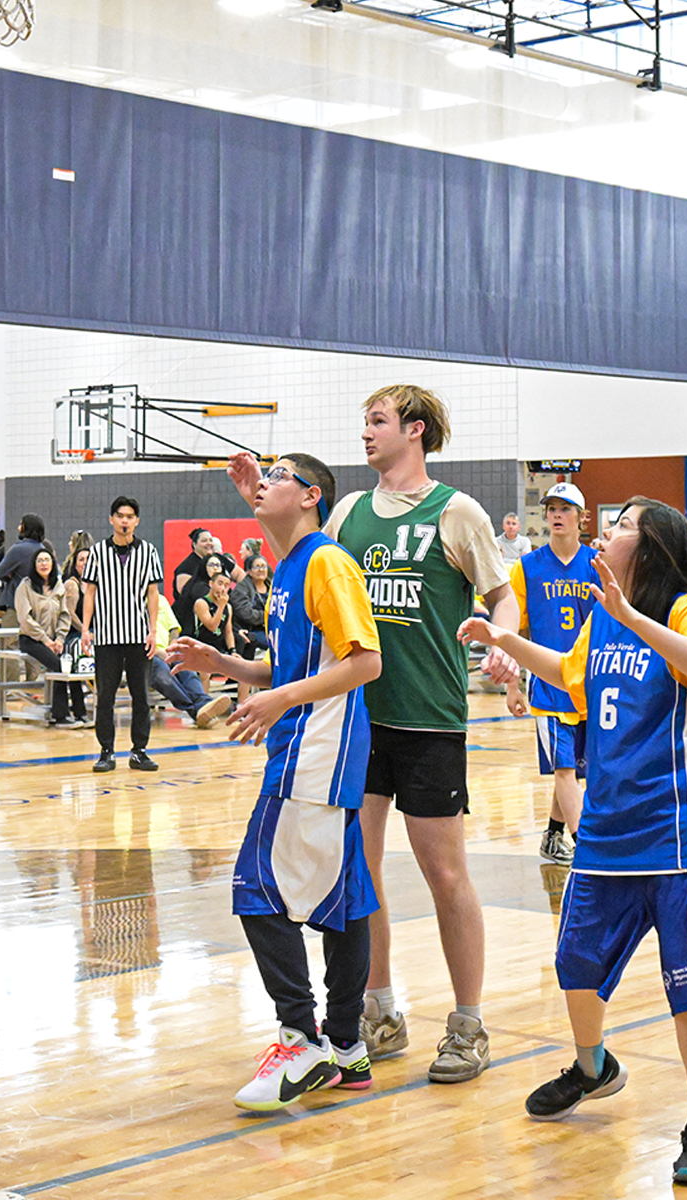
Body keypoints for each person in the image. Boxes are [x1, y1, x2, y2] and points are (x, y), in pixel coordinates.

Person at [232, 384, 515, 1084]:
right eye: (365, 420)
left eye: (378, 421)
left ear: (414, 431)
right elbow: (306, 565)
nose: (365, 432)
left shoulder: (458, 512)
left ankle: (469, 1022)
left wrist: (505, 642)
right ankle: (379, 1012)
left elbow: (501, 593)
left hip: (429, 717)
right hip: (357, 721)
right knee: (361, 872)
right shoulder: (351, 510)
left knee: (446, 874)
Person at [458, 497, 687, 1187]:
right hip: (608, 831)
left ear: (649, 547)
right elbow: (570, 675)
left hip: (679, 833)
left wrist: (634, 616)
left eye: (620, 526)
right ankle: (593, 1068)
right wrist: (507, 645)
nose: (606, 534)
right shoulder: (601, 618)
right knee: (575, 963)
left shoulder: (684, 609)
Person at [166, 452, 382, 1112]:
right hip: (318, 751)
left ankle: (301, 1038)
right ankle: (345, 1045)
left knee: (255, 889)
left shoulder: (327, 562)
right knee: (345, 905)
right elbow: (284, 665)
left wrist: (284, 698)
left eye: (279, 475)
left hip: (315, 754)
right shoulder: (291, 567)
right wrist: (220, 661)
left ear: (312, 494)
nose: (265, 483)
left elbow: (366, 663)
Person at [504, 482, 597, 867]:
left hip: (591, 683)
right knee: (564, 769)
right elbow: (512, 631)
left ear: (582, 517)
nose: (557, 515)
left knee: (581, 771)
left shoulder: (597, 563)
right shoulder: (526, 568)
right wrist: (513, 684)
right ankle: (586, 849)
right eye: (551, 509)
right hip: (548, 685)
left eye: (565, 508)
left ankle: (554, 834)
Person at [81, 497, 165, 774]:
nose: (125, 521)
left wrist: (153, 630)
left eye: (130, 516)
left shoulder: (149, 551)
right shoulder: (96, 553)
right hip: (106, 638)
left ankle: (139, 751)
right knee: (105, 697)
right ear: (111, 519)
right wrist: (85, 628)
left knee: (141, 696)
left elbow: (153, 593)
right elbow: (90, 593)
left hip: (139, 636)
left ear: (137, 521)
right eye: (120, 516)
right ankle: (106, 752)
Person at [15, 548, 86, 728]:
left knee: (73, 664)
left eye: (47, 560)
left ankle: (80, 712)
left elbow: (65, 615)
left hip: (56, 641)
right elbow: (25, 618)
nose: (44, 564)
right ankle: (60, 715)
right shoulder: (26, 586)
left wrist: (60, 639)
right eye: (40, 560)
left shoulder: (58, 586)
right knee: (57, 665)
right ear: (34, 565)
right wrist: (45, 640)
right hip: (32, 640)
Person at [150, 596, 234, 729]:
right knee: (164, 676)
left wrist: (173, 645)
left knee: (185, 664)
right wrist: (156, 652)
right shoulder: (130, 602)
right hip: (146, 654)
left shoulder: (160, 600)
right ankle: (196, 710)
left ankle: (203, 703)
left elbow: (173, 628)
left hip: (168, 651)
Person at [230, 553, 271, 661]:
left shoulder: (271, 585)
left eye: (263, 566)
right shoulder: (242, 588)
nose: (261, 570)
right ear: (248, 571)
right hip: (251, 630)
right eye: (257, 566)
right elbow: (246, 614)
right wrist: (268, 615)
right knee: (278, 643)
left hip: (270, 627)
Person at [0, 514, 49, 585]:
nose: (18, 528)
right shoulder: (43, 549)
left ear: (27, 528)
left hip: (16, 593)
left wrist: (12, 576)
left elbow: (0, 572)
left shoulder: (17, 550)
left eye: (21, 525)